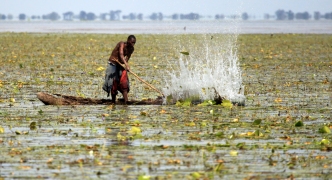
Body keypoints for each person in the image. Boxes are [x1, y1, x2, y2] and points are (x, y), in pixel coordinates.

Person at [103, 35, 136, 104]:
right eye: (132, 42)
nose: (132, 44)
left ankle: (126, 101)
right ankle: (113, 101)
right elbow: (121, 54)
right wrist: (126, 65)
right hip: (113, 63)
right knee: (113, 81)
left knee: (124, 80)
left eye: (134, 43)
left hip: (119, 64)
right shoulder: (121, 44)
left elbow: (127, 58)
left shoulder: (131, 49)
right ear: (128, 41)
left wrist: (126, 66)